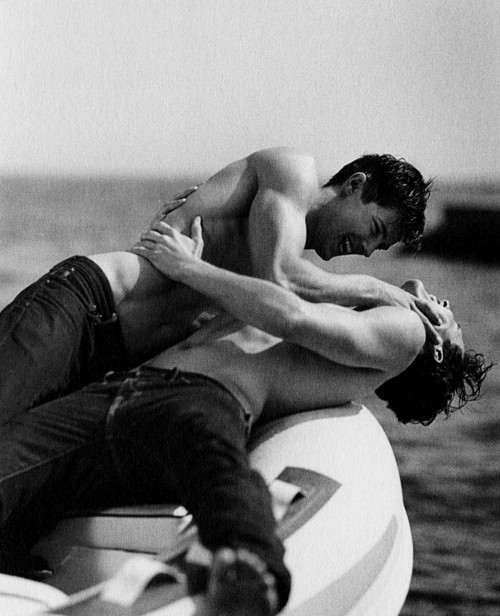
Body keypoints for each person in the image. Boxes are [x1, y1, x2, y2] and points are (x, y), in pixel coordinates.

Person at [0, 220, 489, 616]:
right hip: (127, 389)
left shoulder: (408, 331)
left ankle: (249, 564)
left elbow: (292, 317)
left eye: (451, 319)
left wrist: (189, 267)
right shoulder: (352, 312)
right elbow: (267, 301)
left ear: (438, 350)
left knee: (218, 467)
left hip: (201, 397)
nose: (444, 305)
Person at [0, 147, 437, 424]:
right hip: (87, 307)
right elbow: (281, 277)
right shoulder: (293, 173)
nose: (366, 251)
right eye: (375, 230)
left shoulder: (279, 254)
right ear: (356, 185)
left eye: (379, 250)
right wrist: (380, 289)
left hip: (111, 363)